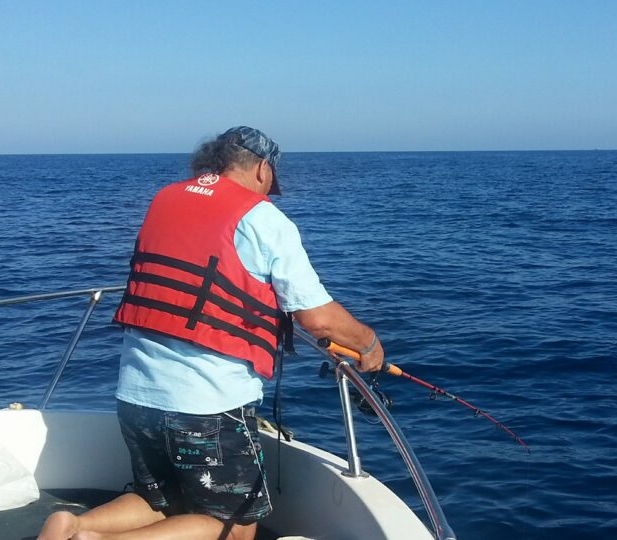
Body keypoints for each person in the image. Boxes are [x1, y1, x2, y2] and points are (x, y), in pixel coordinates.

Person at [39, 126, 384, 540]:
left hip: (136, 393)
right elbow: (318, 319)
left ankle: (73, 524)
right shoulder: (263, 218)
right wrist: (368, 343)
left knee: (158, 501)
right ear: (261, 168)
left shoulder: (164, 199)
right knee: (235, 526)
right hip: (206, 404)